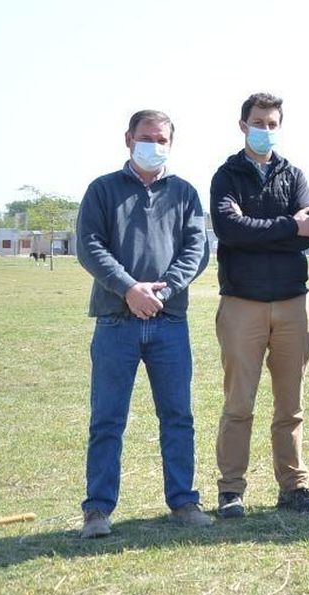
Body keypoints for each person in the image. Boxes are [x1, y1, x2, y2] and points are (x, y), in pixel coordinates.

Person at [75, 109, 211, 538]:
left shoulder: (185, 193)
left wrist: (163, 291)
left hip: (169, 321)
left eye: (163, 139)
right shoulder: (102, 190)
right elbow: (90, 246)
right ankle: (97, 510)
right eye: (147, 136)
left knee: (177, 416)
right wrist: (130, 288)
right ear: (128, 138)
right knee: (108, 419)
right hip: (116, 321)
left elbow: (196, 250)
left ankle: (184, 501)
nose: (155, 144)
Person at [210, 93, 309, 518]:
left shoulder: (294, 175)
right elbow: (229, 229)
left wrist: (275, 230)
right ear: (243, 125)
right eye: (258, 122)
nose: (265, 129)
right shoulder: (226, 175)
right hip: (242, 303)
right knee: (239, 403)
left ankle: (293, 486)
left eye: (273, 123)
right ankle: (231, 490)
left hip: (294, 302)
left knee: (290, 405)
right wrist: (286, 227)